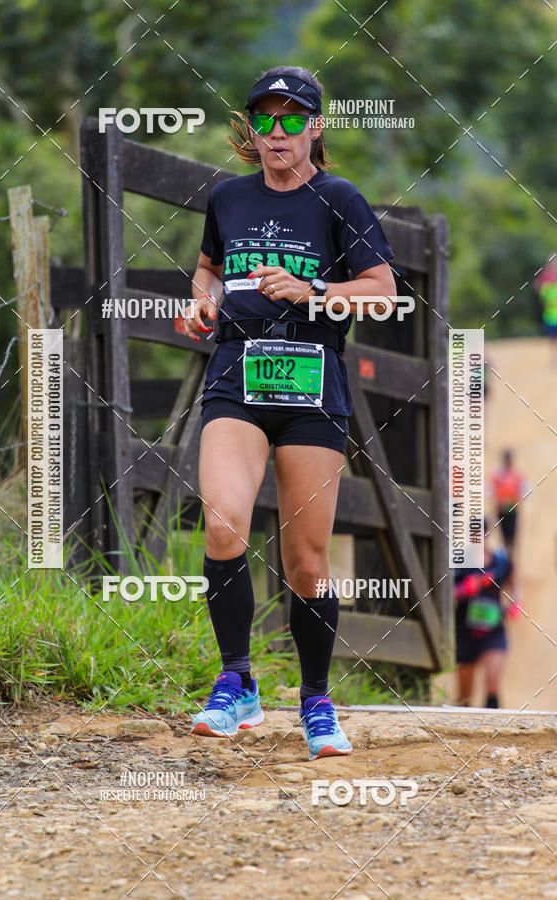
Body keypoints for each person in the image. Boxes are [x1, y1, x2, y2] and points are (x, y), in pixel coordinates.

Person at [183, 65, 395, 760]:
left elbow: (380, 294)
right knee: (222, 524)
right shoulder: (228, 198)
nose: (277, 132)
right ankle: (236, 680)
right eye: (264, 119)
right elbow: (210, 266)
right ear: (253, 128)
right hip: (236, 379)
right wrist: (202, 299)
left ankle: (314, 700)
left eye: (291, 117)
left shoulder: (340, 199)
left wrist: (311, 289)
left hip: (311, 387)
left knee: (306, 564)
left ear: (315, 126)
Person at [453, 526, 513, 708]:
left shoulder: (501, 562)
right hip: (465, 632)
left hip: (494, 631)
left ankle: (495, 731)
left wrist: (516, 603)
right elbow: (446, 593)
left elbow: (514, 583)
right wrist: (463, 590)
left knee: (493, 683)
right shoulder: (460, 563)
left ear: (488, 534)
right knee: (464, 695)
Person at [488, 449, 529, 554]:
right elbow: (491, 490)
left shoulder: (517, 474)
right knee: (504, 536)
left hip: (512, 509)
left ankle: (511, 556)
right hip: (501, 509)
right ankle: (506, 556)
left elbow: (523, 490)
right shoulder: (497, 474)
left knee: (512, 536)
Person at [534, 257, 557, 368]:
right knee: (553, 340)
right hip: (551, 317)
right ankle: (553, 360)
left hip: (550, 316)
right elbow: (539, 289)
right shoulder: (547, 285)